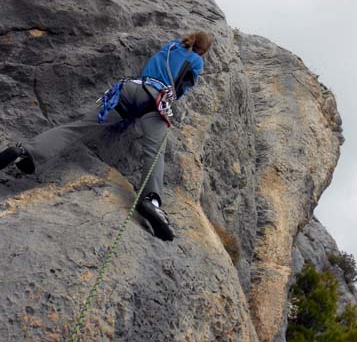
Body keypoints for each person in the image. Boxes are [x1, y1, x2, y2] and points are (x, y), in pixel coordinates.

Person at [0, 31, 213, 241]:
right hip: (155, 101)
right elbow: (181, 87)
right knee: (155, 151)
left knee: (80, 126)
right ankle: (152, 202)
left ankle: (24, 151)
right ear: (203, 51)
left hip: (129, 89)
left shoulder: (172, 46)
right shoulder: (196, 61)